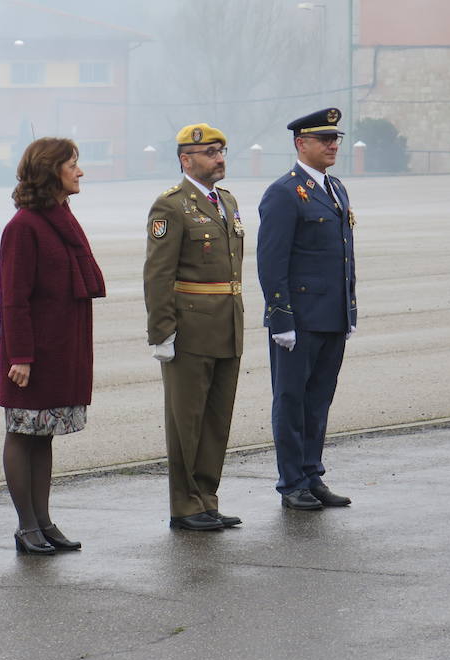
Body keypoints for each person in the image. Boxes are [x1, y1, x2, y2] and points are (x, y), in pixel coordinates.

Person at [0, 137, 105, 555]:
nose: (80, 172)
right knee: (22, 433)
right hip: (32, 354)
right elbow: (13, 298)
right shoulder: (23, 226)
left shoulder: (60, 218)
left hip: (61, 347)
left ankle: (43, 520)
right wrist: (21, 356)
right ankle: (26, 527)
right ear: (51, 171)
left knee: (44, 437)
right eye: (73, 164)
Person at [143, 123, 245, 531]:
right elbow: (157, 274)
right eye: (211, 153)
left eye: (222, 151)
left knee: (217, 420)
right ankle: (184, 505)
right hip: (189, 330)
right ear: (187, 159)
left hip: (227, 325)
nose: (220, 159)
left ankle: (207, 499)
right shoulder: (171, 206)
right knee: (186, 421)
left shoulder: (228, 201)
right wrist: (162, 332)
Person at [256, 108, 357, 510]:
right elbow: (271, 260)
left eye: (336, 139)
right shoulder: (284, 192)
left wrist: (348, 311)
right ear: (301, 144)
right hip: (298, 320)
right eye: (324, 139)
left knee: (319, 399)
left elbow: (344, 256)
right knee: (291, 399)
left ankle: (312, 474)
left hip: (331, 315)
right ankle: (292, 481)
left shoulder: (335, 189)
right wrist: (281, 317)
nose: (333, 145)